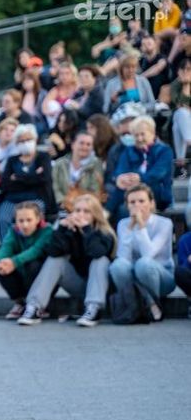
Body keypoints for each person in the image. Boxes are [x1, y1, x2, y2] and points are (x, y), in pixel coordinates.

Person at [19, 194, 114, 327]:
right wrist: (62, 229)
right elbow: (53, 252)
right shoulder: (71, 231)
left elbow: (96, 252)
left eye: (86, 211)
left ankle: (94, 309)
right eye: (77, 210)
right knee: (56, 260)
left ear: (95, 214)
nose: (80, 214)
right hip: (79, 284)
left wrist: (86, 229)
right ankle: (34, 307)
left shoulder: (104, 232)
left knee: (101, 260)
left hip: (101, 287)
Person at [109, 185, 175, 322]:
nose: (137, 205)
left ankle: (152, 305)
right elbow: (123, 257)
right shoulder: (123, 224)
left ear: (151, 203)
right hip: (134, 275)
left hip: (162, 277)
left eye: (141, 201)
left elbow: (148, 253)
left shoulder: (165, 223)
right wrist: (130, 228)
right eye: (132, 202)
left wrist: (140, 226)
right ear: (127, 206)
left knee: (144, 264)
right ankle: (131, 304)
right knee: (117, 266)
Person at [105, 116, 174, 224]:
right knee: (122, 199)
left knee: (124, 207)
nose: (139, 139)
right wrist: (120, 178)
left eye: (142, 134)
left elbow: (157, 174)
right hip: (131, 192)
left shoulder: (165, 150)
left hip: (157, 193)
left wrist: (139, 179)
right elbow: (120, 170)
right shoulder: (129, 150)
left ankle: (106, 212)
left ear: (152, 133)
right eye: (136, 135)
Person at [0, 124, 56, 238]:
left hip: (36, 199)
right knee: (3, 218)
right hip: (12, 200)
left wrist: (17, 178)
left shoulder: (43, 157)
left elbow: (44, 179)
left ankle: (33, 245)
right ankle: (6, 246)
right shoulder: (12, 160)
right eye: (21, 141)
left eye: (28, 139)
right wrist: (33, 177)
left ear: (35, 140)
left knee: (30, 218)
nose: (25, 143)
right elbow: (5, 184)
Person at [0, 201, 53, 319]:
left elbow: (36, 251)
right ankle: (20, 302)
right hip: (22, 273)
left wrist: (14, 262)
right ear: (16, 221)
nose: (25, 225)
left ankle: (40, 304)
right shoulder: (13, 231)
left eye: (29, 220)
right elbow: (6, 247)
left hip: (42, 277)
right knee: (2, 267)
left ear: (38, 219)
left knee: (33, 265)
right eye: (20, 221)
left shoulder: (47, 230)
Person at [52, 132, 104, 214]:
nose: (85, 147)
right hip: (61, 206)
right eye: (81, 143)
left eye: (88, 144)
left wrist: (78, 205)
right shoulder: (59, 164)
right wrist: (62, 201)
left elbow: (95, 189)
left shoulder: (97, 165)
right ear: (73, 145)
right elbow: (55, 185)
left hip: (86, 208)